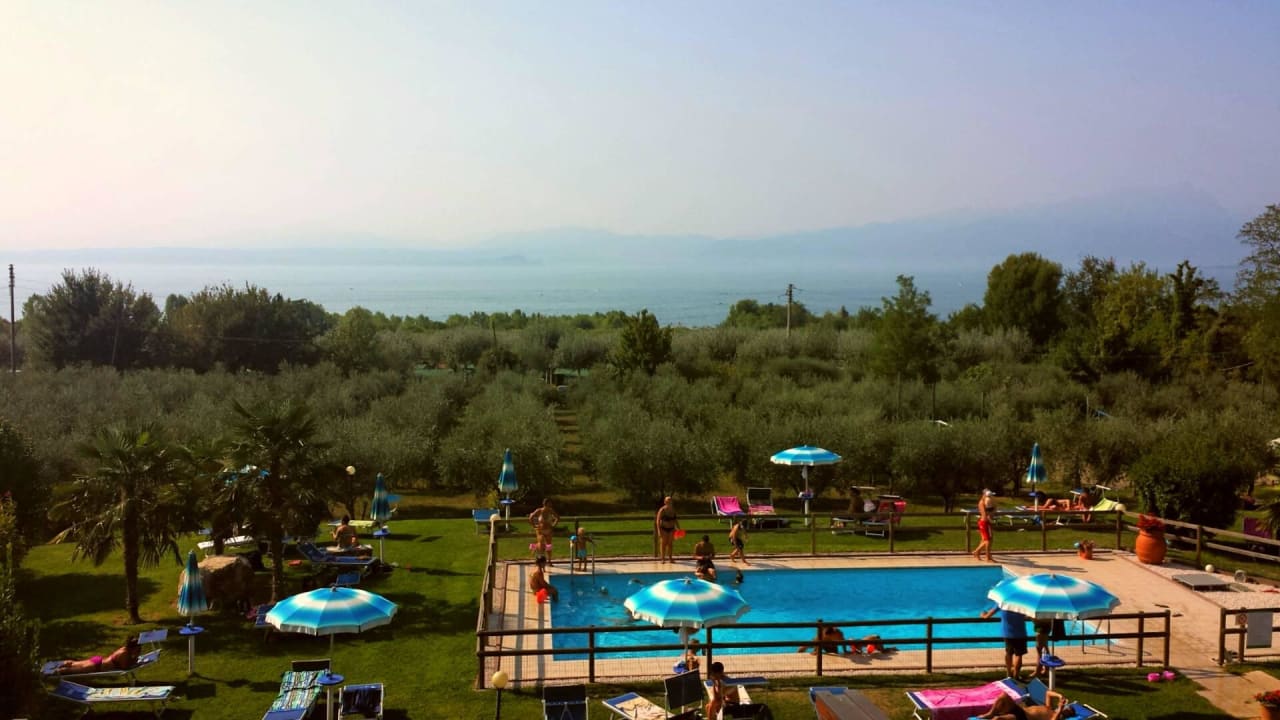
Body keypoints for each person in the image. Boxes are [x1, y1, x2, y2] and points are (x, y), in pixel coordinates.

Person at [981, 605, 1029, 680]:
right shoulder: (1021, 602)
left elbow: (987, 615)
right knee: (1018, 655)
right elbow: (1028, 615)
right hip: (1020, 632)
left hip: (1007, 632)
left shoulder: (1002, 603)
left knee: (1009, 653)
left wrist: (983, 614)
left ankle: (1009, 674)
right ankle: (1016, 675)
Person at [55, 635, 141, 674]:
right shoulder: (124, 653)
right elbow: (125, 668)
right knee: (72, 670)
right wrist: (135, 658)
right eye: (137, 648)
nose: (139, 650)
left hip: (99, 661)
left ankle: (56, 665)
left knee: (74, 664)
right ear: (133, 647)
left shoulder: (124, 648)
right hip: (98, 666)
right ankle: (53, 672)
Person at [975, 688, 1071, 720]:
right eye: (1068, 707)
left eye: (1068, 709)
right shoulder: (1049, 707)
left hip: (1023, 717)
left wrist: (1060, 709)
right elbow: (1047, 693)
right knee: (1004, 695)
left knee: (998, 719)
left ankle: (993, 716)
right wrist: (1059, 696)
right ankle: (990, 714)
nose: (1067, 708)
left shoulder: (1055, 716)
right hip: (1020, 709)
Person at [528, 498, 560, 563]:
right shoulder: (539, 510)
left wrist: (553, 525)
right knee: (540, 544)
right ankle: (538, 558)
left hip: (548, 530)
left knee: (549, 545)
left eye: (550, 503)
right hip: (540, 530)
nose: (550, 505)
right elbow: (531, 517)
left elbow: (557, 517)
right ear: (545, 504)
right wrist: (534, 526)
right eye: (549, 503)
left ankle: (549, 560)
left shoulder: (551, 511)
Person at [973, 490, 996, 562]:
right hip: (983, 522)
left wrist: (994, 507)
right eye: (988, 495)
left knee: (988, 539)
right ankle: (983, 555)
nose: (989, 497)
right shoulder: (981, 503)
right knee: (987, 540)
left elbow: (993, 509)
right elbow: (984, 514)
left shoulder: (988, 501)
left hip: (987, 522)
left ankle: (980, 553)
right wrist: (989, 518)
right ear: (984, 495)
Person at [655, 496, 680, 563]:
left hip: (671, 529)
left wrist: (679, 528)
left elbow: (675, 519)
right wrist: (659, 531)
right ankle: (662, 559)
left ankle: (670, 558)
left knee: (670, 544)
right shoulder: (662, 510)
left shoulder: (673, 509)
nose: (669, 502)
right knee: (663, 544)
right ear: (665, 502)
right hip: (663, 529)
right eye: (667, 501)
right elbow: (657, 521)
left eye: (670, 500)